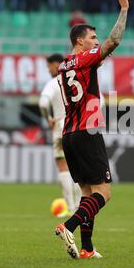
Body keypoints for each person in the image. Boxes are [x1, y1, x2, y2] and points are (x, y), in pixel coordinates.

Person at [54, 0, 133, 260]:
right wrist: (123, 10)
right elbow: (113, 43)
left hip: (69, 134)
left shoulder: (63, 65)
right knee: (104, 193)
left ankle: (87, 248)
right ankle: (69, 226)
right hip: (87, 132)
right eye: (92, 37)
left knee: (88, 194)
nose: (97, 41)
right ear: (80, 41)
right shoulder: (84, 60)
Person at [39, 54, 81, 216]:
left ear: (56, 65)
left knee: (63, 167)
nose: (48, 70)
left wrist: (48, 118)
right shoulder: (75, 80)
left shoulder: (54, 82)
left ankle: (69, 207)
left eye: (49, 66)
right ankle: (79, 207)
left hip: (60, 128)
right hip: (77, 128)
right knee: (78, 168)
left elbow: (43, 102)